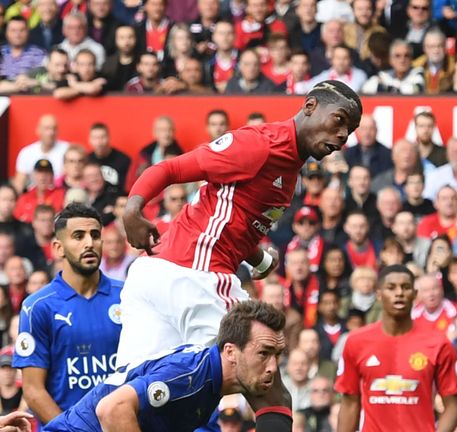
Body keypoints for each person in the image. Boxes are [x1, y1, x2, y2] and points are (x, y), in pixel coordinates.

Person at [118, 81, 362, 373]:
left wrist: (258, 258)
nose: (343, 134)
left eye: (350, 130)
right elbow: (170, 168)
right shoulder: (259, 144)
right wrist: (132, 209)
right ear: (310, 106)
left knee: (137, 390)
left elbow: (233, 220)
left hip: (157, 274)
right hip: (196, 274)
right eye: (340, 120)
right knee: (260, 368)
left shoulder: (290, 168)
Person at [44, 300, 294, 432]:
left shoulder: (210, 382)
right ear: (230, 351)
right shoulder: (189, 376)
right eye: (264, 353)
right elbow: (112, 409)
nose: (273, 366)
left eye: (278, 354)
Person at [12, 203, 123, 424]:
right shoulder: (37, 307)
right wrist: (73, 430)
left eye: (95, 235)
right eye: (78, 236)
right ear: (58, 248)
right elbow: (33, 391)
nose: (89, 243)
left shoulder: (128, 296)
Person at [335, 265, 457, 432]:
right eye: (391, 288)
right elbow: (349, 403)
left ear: (415, 295)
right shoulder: (356, 341)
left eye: (406, 287)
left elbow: (453, 404)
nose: (399, 293)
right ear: (379, 294)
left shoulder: (439, 343)